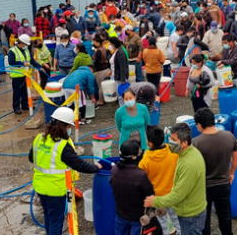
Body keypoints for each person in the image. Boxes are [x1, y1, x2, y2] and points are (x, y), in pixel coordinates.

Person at [29, 107, 101, 235]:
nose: (70, 130)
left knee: (48, 217)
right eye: (69, 126)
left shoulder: (39, 138)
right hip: (56, 190)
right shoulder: (62, 145)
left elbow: (31, 158)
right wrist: (96, 168)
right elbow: (79, 165)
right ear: (65, 126)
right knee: (56, 221)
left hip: (39, 187)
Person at [144, 123, 207, 235]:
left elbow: (177, 195)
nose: (170, 142)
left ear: (184, 142)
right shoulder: (184, 154)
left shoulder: (188, 164)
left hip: (190, 215)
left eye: (173, 139)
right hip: (190, 209)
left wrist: (155, 201)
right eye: (169, 138)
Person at [192, 108, 237, 235]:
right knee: (225, 216)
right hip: (224, 184)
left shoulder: (196, 143)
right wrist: (232, 172)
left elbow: (193, 167)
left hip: (204, 187)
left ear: (200, 125)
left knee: (204, 219)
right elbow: (236, 156)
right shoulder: (229, 136)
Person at [139, 127, 181, 235]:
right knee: (176, 221)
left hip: (157, 198)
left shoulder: (145, 160)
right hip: (173, 195)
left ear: (149, 143)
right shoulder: (173, 153)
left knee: (164, 224)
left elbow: (141, 180)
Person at [110, 139, 155, 235]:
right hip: (137, 217)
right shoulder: (140, 175)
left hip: (120, 214)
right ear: (134, 157)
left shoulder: (114, 170)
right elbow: (150, 195)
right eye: (139, 152)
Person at [8, 34, 38, 115]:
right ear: (20, 43)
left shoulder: (26, 50)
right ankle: (16, 107)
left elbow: (31, 60)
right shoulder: (12, 51)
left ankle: (25, 105)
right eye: (25, 44)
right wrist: (22, 63)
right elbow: (11, 62)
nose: (26, 46)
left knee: (25, 91)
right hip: (17, 76)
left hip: (26, 75)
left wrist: (39, 67)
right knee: (17, 93)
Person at [217, 34, 237, 100]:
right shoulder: (225, 49)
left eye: (225, 43)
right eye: (223, 43)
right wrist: (221, 63)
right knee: (232, 95)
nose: (224, 45)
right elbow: (223, 58)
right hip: (229, 76)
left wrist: (223, 62)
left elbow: (234, 61)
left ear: (231, 42)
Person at [110, 37, 129, 103]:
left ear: (114, 44)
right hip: (118, 76)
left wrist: (123, 80)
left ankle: (124, 109)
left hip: (120, 78)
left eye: (111, 44)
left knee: (121, 95)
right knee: (120, 95)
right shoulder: (118, 51)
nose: (110, 46)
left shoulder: (121, 53)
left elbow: (122, 67)